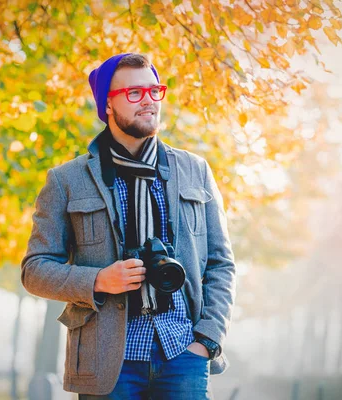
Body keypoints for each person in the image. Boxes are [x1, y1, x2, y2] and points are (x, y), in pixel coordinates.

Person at [21, 53, 236, 399]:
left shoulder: (196, 170)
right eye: (134, 93)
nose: (149, 101)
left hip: (184, 354)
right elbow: (34, 269)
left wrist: (208, 339)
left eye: (154, 91)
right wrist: (98, 280)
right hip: (107, 362)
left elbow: (221, 263)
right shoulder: (67, 180)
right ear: (107, 104)